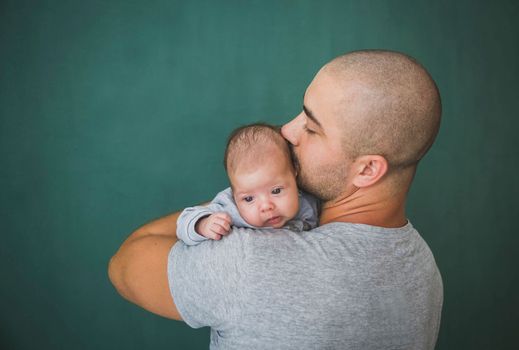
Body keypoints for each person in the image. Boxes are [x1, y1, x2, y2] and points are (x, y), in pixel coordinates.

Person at [109, 49, 443, 349]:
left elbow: (125, 263)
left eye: (311, 128)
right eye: (301, 113)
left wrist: (240, 200)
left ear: (368, 169)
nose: (287, 131)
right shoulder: (426, 273)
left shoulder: (249, 261)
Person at [176, 123, 319, 246]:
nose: (266, 206)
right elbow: (184, 220)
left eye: (276, 191)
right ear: (234, 194)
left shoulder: (307, 204)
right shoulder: (229, 209)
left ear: (294, 172)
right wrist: (203, 224)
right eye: (249, 199)